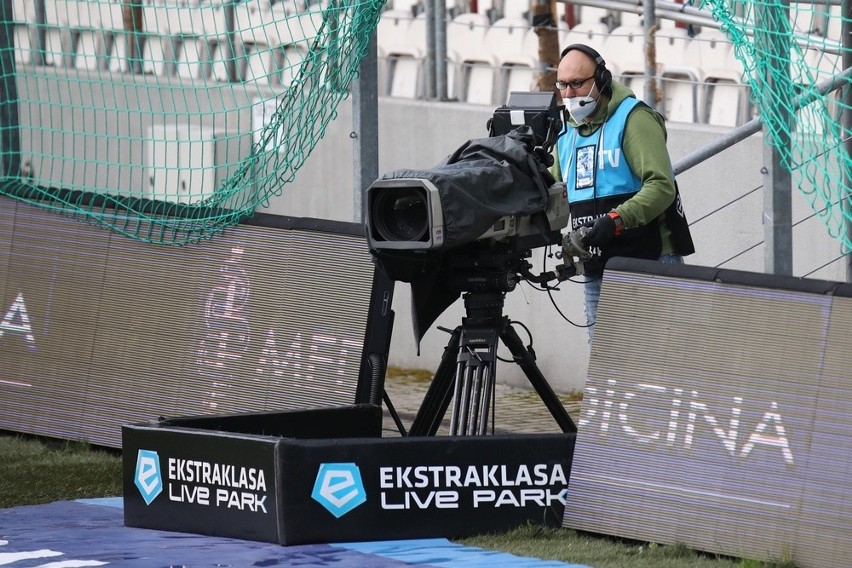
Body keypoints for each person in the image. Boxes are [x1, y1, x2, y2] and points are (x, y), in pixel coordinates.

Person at [553, 44, 695, 338]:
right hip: (597, 263)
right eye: (563, 85)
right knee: (605, 367)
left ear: (602, 79)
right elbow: (551, 189)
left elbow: (661, 186)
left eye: (577, 83)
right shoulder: (564, 131)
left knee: (653, 363)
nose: (568, 94)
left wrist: (616, 219)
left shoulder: (635, 118)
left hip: (650, 259)